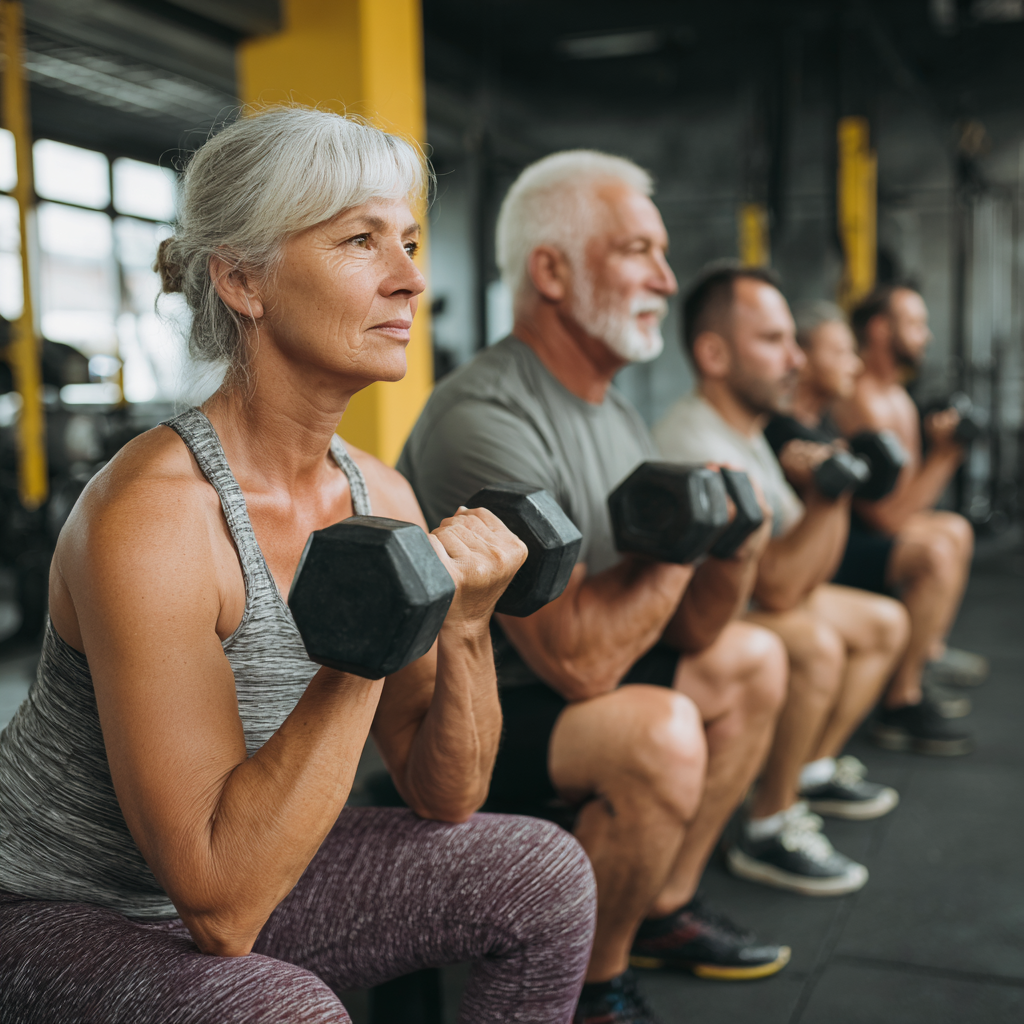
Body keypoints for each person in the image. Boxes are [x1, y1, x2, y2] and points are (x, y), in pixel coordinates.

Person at [0, 108, 598, 1024]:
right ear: (242, 280)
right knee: (277, 1009)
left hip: (248, 864)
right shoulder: (153, 516)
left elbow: (447, 794)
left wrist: (468, 626)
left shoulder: (381, 496)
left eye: (407, 240)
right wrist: (361, 650)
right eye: (362, 241)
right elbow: (220, 906)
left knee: (541, 873)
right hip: (54, 906)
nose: (409, 280)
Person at [399, 151, 791, 1024]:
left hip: (565, 685)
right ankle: (589, 988)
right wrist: (693, 541)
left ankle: (659, 909)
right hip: (468, 727)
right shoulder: (487, 421)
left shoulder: (612, 403)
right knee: (660, 735)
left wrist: (739, 546)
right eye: (638, 250)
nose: (666, 276)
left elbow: (689, 632)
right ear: (550, 270)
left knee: (754, 657)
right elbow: (576, 663)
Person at [654, 263, 910, 901]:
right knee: (817, 645)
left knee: (886, 622)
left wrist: (832, 491)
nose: (795, 358)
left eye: (794, 340)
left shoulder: (747, 431)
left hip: (759, 599)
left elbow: (812, 568)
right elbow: (780, 589)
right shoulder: (698, 443)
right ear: (713, 353)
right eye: (773, 341)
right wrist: (828, 500)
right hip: (706, 622)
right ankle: (765, 823)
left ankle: (804, 770)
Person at [829, 285, 981, 754]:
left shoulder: (895, 395)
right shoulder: (862, 401)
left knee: (955, 529)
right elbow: (884, 517)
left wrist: (941, 454)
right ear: (880, 329)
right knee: (935, 551)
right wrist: (945, 457)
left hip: (881, 525)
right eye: (914, 324)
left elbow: (908, 502)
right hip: (844, 540)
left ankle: (922, 655)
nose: (926, 335)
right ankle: (899, 703)